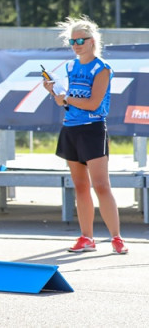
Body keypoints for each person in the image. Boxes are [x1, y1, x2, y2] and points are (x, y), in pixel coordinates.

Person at [42, 16, 128, 255]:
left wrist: (66, 99)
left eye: (81, 39)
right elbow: (68, 99)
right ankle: (86, 237)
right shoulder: (70, 66)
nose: (76, 44)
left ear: (92, 41)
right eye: (72, 41)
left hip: (93, 128)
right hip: (71, 128)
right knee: (80, 186)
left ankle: (116, 238)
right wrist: (55, 91)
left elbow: (92, 104)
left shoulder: (102, 68)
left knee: (101, 185)